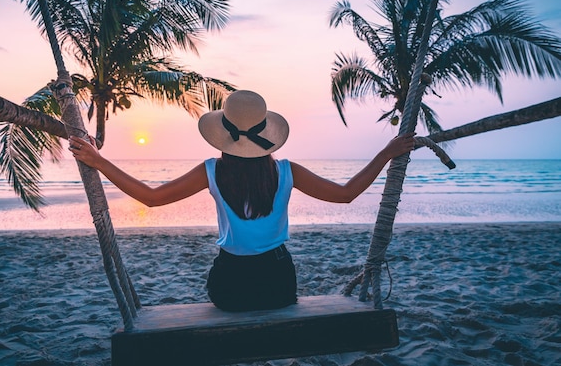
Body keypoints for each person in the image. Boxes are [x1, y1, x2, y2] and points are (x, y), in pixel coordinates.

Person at [68, 90, 415, 312]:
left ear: (224, 134)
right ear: (266, 136)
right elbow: (346, 194)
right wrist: (386, 153)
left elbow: (151, 198)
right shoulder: (286, 171)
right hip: (279, 282)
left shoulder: (212, 171)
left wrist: (99, 162)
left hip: (230, 286)